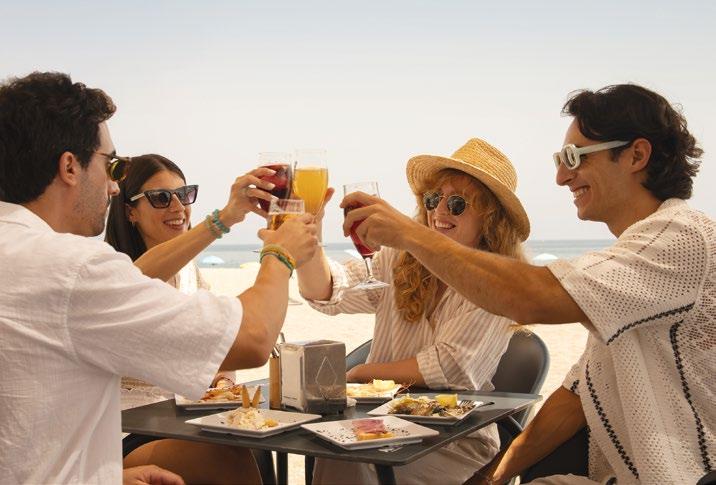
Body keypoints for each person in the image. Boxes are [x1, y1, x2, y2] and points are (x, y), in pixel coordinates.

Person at [339, 84, 714, 484]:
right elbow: (576, 396)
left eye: (575, 157)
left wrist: (410, 235)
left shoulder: (681, 238)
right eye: (560, 160)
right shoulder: (634, 258)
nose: (561, 177)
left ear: (636, 156)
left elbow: (533, 297)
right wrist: (492, 476)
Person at [0, 71, 318, 484]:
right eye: (112, 166)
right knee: (228, 456)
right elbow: (254, 339)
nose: (114, 187)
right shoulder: (73, 269)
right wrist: (280, 253)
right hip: (136, 432)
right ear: (69, 167)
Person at [297, 138, 531, 484]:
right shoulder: (399, 258)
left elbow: (451, 367)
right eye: (433, 199)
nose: (439, 211)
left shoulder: (498, 282)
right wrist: (308, 240)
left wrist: (362, 371)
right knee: (336, 450)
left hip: (455, 437)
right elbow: (329, 291)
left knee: (351, 457)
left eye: (457, 203)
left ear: (491, 219)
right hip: (382, 421)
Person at [105, 154, 275, 483]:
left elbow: (221, 343)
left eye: (184, 194)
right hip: (128, 429)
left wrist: (223, 381)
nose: (178, 207)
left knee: (254, 441)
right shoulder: (114, 273)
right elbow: (136, 282)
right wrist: (226, 219)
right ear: (130, 212)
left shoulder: (189, 273)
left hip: (184, 421)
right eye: (161, 197)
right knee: (226, 455)